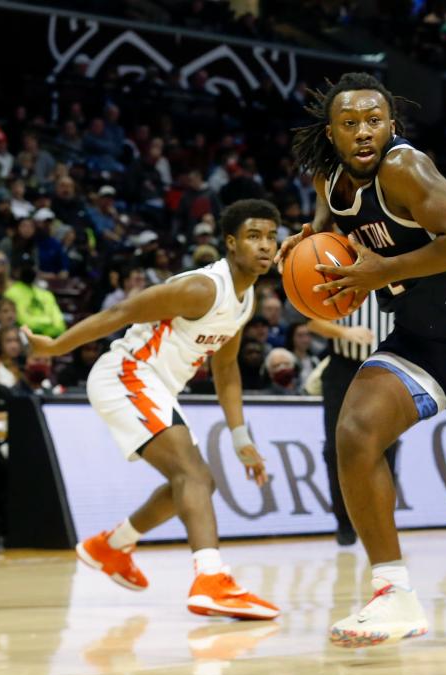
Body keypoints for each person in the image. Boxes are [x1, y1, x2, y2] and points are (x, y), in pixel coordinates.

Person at [279, 72, 446, 647]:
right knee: (355, 431)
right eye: (351, 124)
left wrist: (384, 271)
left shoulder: (405, 168)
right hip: (420, 340)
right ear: (333, 133)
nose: (364, 132)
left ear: (391, 125)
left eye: (375, 121)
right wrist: (304, 249)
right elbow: (335, 239)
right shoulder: (330, 182)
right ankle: (393, 592)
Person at [25, 199, 282, 620]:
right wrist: (56, 348)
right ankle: (211, 579)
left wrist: (241, 438)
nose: (265, 246)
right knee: (193, 476)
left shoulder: (245, 298)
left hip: (156, 386)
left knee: (197, 484)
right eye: (254, 237)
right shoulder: (202, 288)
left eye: (272, 237)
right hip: (126, 374)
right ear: (231, 243)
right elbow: (122, 311)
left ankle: (110, 546)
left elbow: (227, 367)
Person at [307, 292, 398, 547]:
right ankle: (344, 522)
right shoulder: (339, 276)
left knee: (387, 447)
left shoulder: (397, 274)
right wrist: (344, 333)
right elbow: (311, 321)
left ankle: (383, 520)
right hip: (342, 368)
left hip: (386, 368)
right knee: (336, 449)